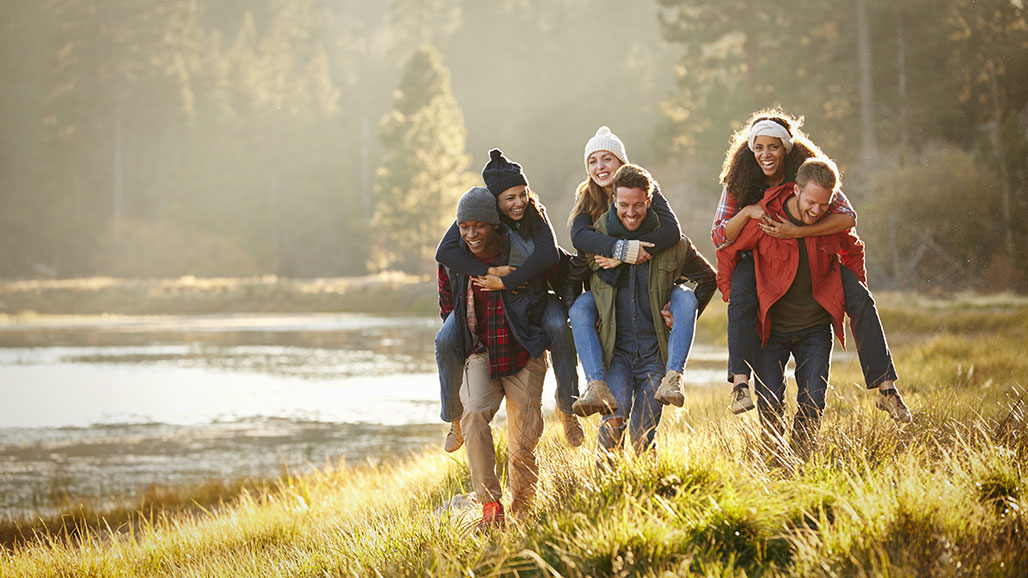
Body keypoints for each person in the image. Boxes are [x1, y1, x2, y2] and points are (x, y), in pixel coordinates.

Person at [713, 109, 911, 424]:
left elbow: (847, 216)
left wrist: (798, 231)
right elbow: (720, 236)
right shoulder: (740, 181)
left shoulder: (809, 177)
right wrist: (749, 211)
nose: (767, 154)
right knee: (741, 296)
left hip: (813, 254)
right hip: (760, 257)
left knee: (861, 299)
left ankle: (887, 389)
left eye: (774, 147)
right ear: (751, 149)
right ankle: (739, 382)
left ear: (786, 148)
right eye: (760, 147)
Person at [435, 150, 585, 450]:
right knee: (444, 340)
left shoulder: (535, 213)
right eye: (510, 198)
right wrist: (488, 270)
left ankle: (568, 409)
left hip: (540, 297)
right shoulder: (481, 217)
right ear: (495, 202)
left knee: (558, 327)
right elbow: (445, 253)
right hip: (497, 303)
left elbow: (548, 254)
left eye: (522, 194)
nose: (518, 203)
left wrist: (507, 279)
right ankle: (453, 418)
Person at [717, 159, 864, 451]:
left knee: (813, 401)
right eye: (811, 202)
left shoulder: (828, 223)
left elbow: (853, 247)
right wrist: (730, 293)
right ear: (796, 190)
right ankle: (775, 462)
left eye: (824, 205)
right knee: (770, 403)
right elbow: (726, 248)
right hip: (770, 330)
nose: (817, 210)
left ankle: (802, 457)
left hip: (815, 329)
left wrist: (855, 292)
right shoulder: (768, 221)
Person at [585, 164, 716, 457]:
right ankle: (605, 494)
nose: (631, 212)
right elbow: (575, 282)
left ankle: (649, 495)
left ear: (649, 199)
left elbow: (709, 280)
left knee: (642, 435)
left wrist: (681, 320)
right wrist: (591, 316)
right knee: (613, 422)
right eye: (624, 205)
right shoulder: (597, 239)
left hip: (654, 355)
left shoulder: (674, 244)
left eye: (638, 205)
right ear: (614, 201)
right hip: (615, 355)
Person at [438, 186, 550, 529]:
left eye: (479, 226)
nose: (471, 234)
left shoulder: (519, 251)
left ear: (494, 225)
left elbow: (548, 282)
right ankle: (491, 507)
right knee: (473, 413)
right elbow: (446, 305)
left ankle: (523, 508)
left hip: (523, 352)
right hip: (481, 352)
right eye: (464, 226)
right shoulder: (454, 258)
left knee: (523, 438)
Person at [567, 127, 695, 416]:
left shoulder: (644, 188)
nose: (600, 167)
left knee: (685, 298)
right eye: (592, 161)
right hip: (605, 287)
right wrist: (621, 251)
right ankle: (594, 384)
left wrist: (632, 252)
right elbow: (580, 238)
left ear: (621, 162)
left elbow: (672, 232)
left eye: (607, 159)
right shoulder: (588, 198)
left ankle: (674, 377)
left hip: (647, 286)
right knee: (580, 309)